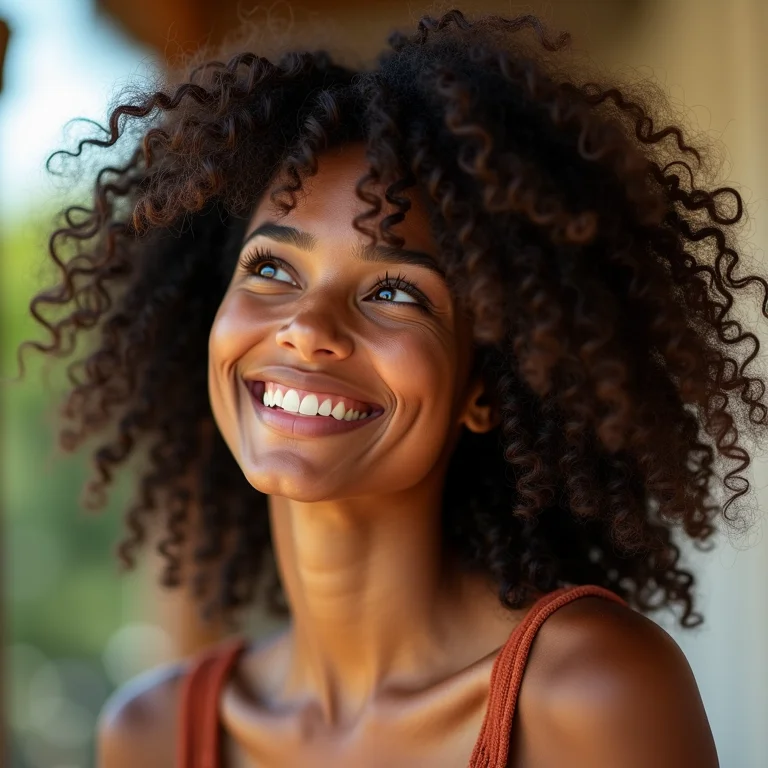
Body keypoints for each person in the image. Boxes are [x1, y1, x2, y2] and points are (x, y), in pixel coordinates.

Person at [28, 7, 765, 766]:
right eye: (272, 269)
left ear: (489, 383)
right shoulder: (151, 734)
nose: (307, 327)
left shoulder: (591, 694)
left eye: (395, 292)